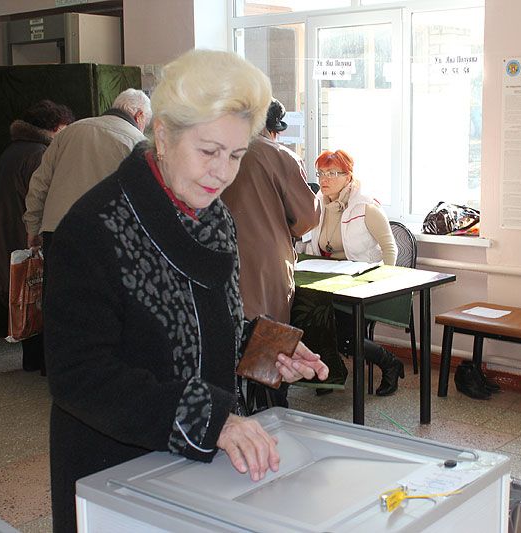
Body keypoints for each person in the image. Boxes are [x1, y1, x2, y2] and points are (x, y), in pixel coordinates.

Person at [43, 49, 329, 533]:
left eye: (236, 155)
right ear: (162, 135)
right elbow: (80, 376)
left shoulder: (215, 217)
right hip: (115, 466)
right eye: (209, 151)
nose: (223, 172)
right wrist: (211, 419)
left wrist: (265, 347)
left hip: (196, 462)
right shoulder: (94, 227)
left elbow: (205, 324)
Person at [222, 98, 320, 409]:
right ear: (271, 128)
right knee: (270, 348)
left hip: (220, 261)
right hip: (266, 264)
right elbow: (306, 218)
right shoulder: (279, 155)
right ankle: (269, 412)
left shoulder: (218, 149)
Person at [303, 149, 404, 396]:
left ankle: (389, 362)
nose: (324, 179)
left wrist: (382, 282)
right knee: (307, 317)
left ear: (348, 177)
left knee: (344, 336)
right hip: (328, 282)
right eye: (321, 173)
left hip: (361, 284)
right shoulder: (318, 204)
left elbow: (390, 247)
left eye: (332, 173)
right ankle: (331, 371)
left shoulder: (366, 207)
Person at [0, 99, 74, 372]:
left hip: (10, 235)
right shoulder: (40, 154)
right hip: (29, 235)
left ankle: (32, 361)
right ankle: (44, 364)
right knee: (40, 298)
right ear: (54, 127)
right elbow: (42, 200)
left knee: (26, 297)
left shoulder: (13, 150)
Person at [23, 88, 151, 262]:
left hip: (57, 231)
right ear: (140, 116)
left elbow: (39, 184)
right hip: (107, 236)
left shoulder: (68, 132)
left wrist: (33, 229)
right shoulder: (138, 143)